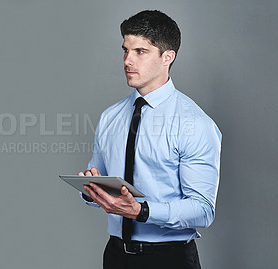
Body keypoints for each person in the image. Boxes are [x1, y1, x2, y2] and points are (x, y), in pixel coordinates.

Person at [78, 10, 222, 269]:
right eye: (125, 50)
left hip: (169, 259)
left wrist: (142, 211)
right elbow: (101, 177)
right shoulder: (110, 117)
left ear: (167, 57)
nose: (127, 61)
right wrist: (91, 191)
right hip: (115, 255)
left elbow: (202, 209)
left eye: (140, 52)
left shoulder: (196, 124)